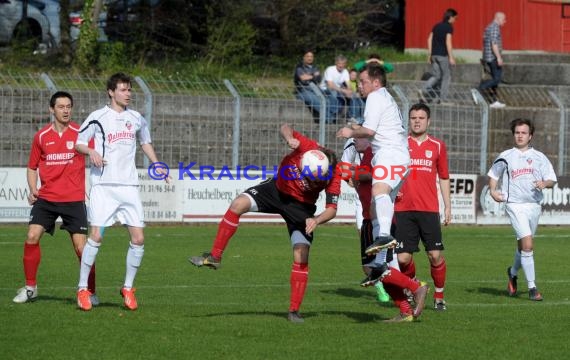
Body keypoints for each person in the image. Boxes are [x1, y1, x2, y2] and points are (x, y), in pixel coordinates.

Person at [189, 123, 341, 323]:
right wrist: (289, 139)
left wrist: (316, 220)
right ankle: (215, 256)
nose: (307, 179)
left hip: (301, 208)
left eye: (313, 178)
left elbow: (332, 209)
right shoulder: (306, 146)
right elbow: (285, 126)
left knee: (301, 254)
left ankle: (294, 311)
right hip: (274, 191)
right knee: (238, 204)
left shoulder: (334, 173)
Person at [337, 64, 429, 321]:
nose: (360, 86)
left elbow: (369, 131)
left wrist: (349, 131)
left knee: (379, 189)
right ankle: (407, 303)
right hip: (391, 157)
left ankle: (387, 238)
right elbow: (370, 130)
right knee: (380, 263)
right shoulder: (382, 99)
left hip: (392, 155)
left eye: (363, 81)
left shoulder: (376, 96)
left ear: (375, 81)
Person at [74, 72, 170, 311]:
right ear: (111, 92)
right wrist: (92, 152)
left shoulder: (136, 118)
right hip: (104, 186)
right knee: (95, 237)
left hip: (129, 186)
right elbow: (78, 142)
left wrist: (157, 163)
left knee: (138, 238)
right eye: (124, 90)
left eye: (129, 90)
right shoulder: (98, 117)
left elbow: (145, 142)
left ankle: (128, 287)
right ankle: (82, 289)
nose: (128, 94)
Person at [13, 91, 97, 305]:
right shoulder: (41, 136)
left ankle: (90, 291)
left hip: (73, 199)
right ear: (52, 109)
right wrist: (33, 189)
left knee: (82, 248)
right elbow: (32, 167)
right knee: (32, 236)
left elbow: (97, 156)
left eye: (69, 106)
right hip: (47, 199)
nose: (66, 110)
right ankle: (30, 288)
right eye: (61, 106)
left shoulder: (81, 133)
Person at [487, 118, 556, 301]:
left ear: (530, 136)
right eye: (517, 132)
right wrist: (493, 191)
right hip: (514, 205)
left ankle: (513, 272)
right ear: (513, 135)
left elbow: (551, 179)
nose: (520, 135)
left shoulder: (540, 157)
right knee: (528, 245)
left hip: (533, 206)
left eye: (523, 132)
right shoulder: (506, 155)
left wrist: (544, 183)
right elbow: (494, 174)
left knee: (523, 246)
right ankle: (533, 287)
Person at [394, 103, 451, 311]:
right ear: (409, 121)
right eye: (413, 118)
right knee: (403, 258)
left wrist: (447, 207)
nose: (417, 121)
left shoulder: (437, 146)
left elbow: (444, 177)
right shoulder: (399, 144)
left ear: (429, 121)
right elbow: (389, 171)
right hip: (402, 208)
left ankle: (439, 296)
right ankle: (415, 287)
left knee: (434, 255)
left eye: (421, 117)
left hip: (428, 209)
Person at [340, 137, 390, 303]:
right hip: (361, 201)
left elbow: (371, 174)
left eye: (359, 139)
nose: (355, 143)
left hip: (378, 199)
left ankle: (401, 285)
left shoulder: (378, 147)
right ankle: (380, 285)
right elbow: (347, 175)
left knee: (382, 245)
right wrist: (354, 175)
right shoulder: (351, 144)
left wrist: (357, 173)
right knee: (365, 241)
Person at [419, 8, 457, 105]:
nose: (455, 21)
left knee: (437, 76)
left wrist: (430, 54)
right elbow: (448, 42)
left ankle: (423, 89)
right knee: (446, 77)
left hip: (434, 55)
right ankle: (443, 99)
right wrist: (451, 57)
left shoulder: (436, 26)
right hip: (442, 55)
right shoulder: (449, 27)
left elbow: (429, 39)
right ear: (451, 17)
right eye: (455, 18)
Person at [321, 54, 363, 124]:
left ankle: (352, 118)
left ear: (345, 64)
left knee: (353, 96)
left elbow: (348, 85)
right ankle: (332, 116)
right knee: (334, 94)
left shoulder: (345, 71)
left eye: (343, 64)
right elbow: (330, 85)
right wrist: (344, 91)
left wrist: (349, 91)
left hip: (338, 90)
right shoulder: (330, 69)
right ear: (336, 63)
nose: (341, 65)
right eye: (339, 63)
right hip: (325, 89)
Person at [478, 12, 507, 108]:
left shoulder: (489, 27)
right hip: (493, 57)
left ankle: (493, 101)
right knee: (497, 79)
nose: (505, 22)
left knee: (495, 80)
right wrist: (498, 57)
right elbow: (494, 44)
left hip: (488, 57)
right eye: (504, 19)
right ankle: (479, 89)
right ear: (498, 18)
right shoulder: (495, 28)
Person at [293, 50, 324, 123]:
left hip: (314, 89)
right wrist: (314, 76)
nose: (310, 58)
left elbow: (319, 78)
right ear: (304, 57)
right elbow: (303, 78)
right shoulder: (299, 67)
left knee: (328, 98)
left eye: (311, 56)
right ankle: (327, 120)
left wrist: (310, 76)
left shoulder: (315, 67)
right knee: (318, 101)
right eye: (308, 56)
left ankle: (328, 118)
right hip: (303, 90)